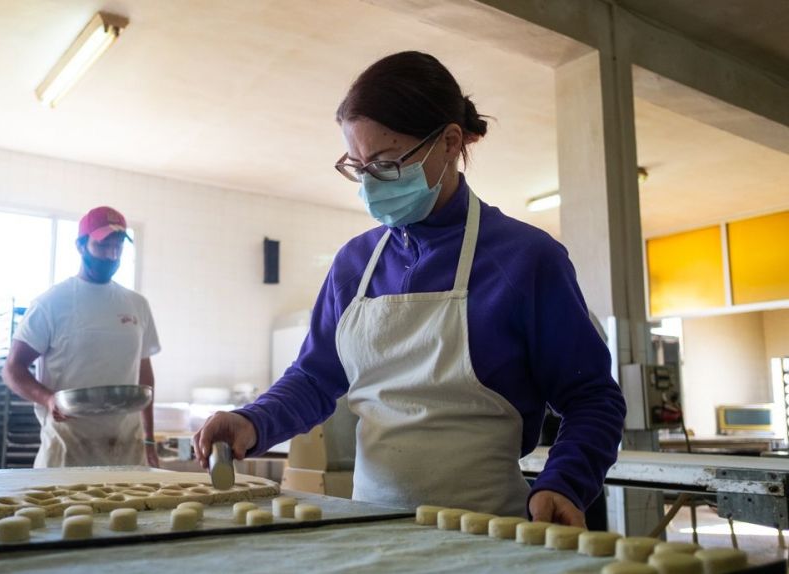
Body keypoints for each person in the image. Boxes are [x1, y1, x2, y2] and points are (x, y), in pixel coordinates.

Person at [195, 51, 625, 526]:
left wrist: (565, 481)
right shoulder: (353, 265)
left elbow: (592, 399)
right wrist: (253, 421)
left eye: (385, 164)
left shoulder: (525, 259)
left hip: (487, 534)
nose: (370, 185)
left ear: (449, 142)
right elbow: (315, 378)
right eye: (358, 168)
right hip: (370, 528)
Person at [4, 206, 161, 468]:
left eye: (118, 246)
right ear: (80, 246)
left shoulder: (137, 305)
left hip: (126, 447)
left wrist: (149, 440)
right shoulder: (52, 302)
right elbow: (12, 369)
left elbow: (144, 375)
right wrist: (48, 398)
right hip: (69, 447)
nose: (111, 255)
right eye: (103, 246)